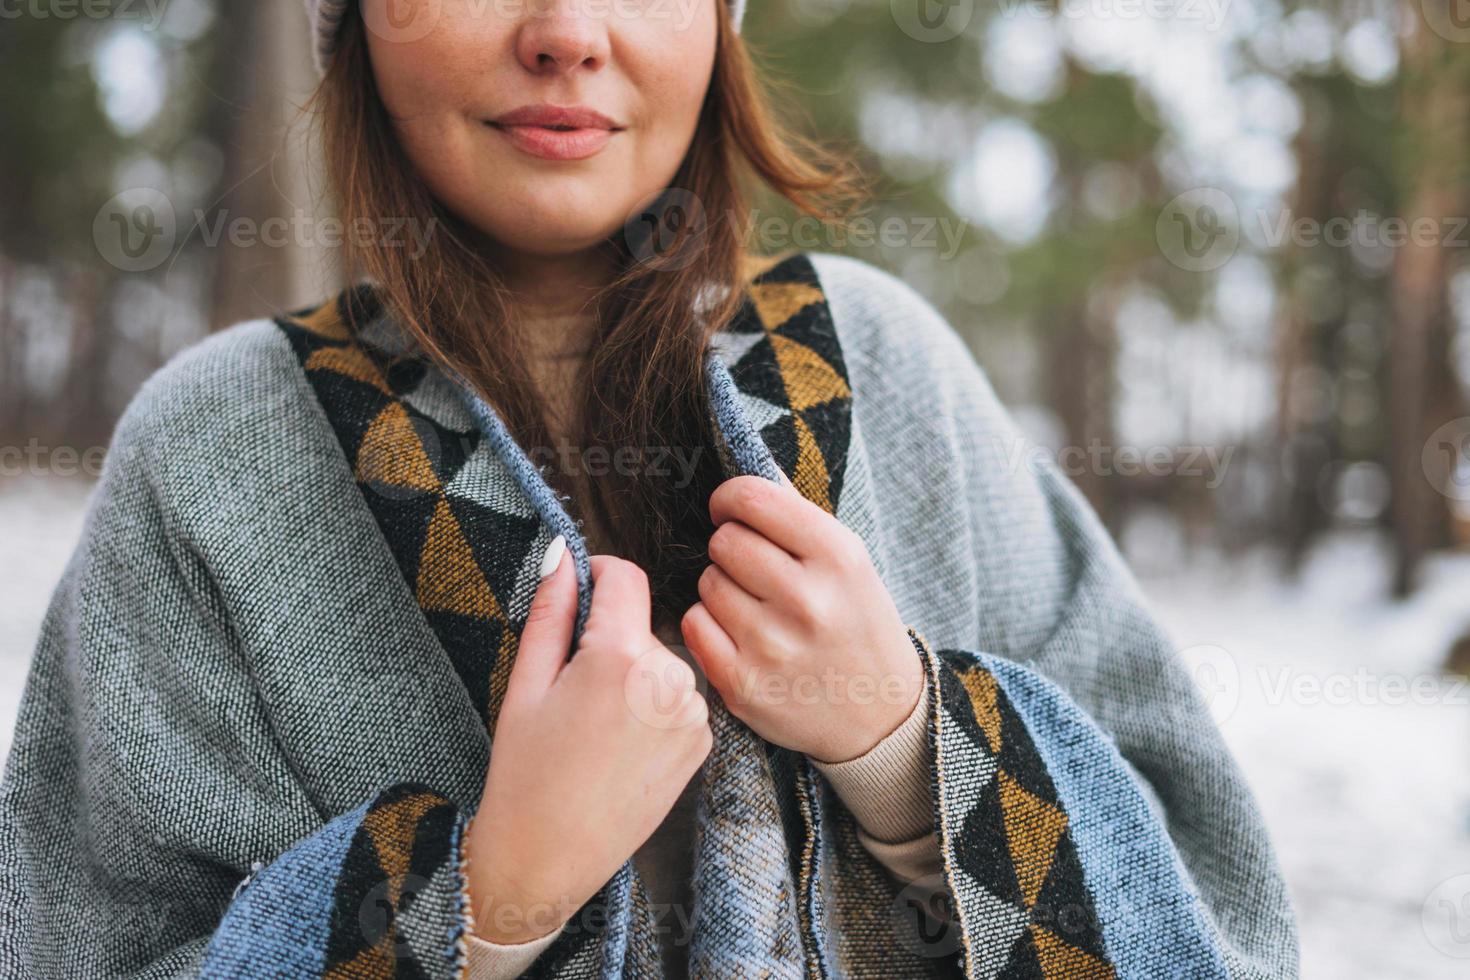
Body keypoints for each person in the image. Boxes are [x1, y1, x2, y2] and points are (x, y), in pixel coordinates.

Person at [0, 1, 1300, 977]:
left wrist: (907, 748)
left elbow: (1217, 905)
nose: (568, 31)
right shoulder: (219, 444)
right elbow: (79, 942)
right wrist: (487, 898)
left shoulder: (881, 368)